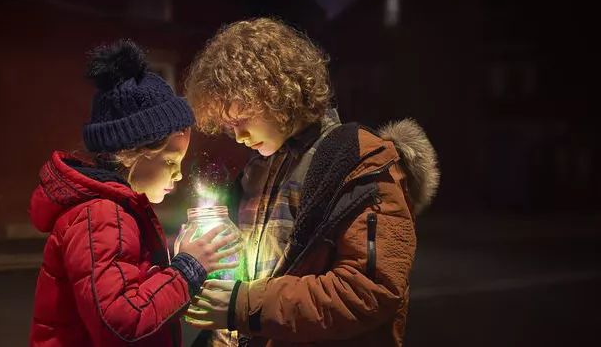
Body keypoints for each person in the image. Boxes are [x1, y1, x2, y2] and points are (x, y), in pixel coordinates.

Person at [183, 18, 440, 346]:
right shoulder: (258, 168)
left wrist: (244, 305)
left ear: (275, 94)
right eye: (227, 125)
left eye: (241, 121)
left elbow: (369, 289)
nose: (237, 136)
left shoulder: (361, 160)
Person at [28, 40, 239, 346]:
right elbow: (122, 319)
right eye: (170, 161)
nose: (179, 174)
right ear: (134, 154)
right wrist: (188, 268)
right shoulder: (102, 214)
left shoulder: (113, 209)